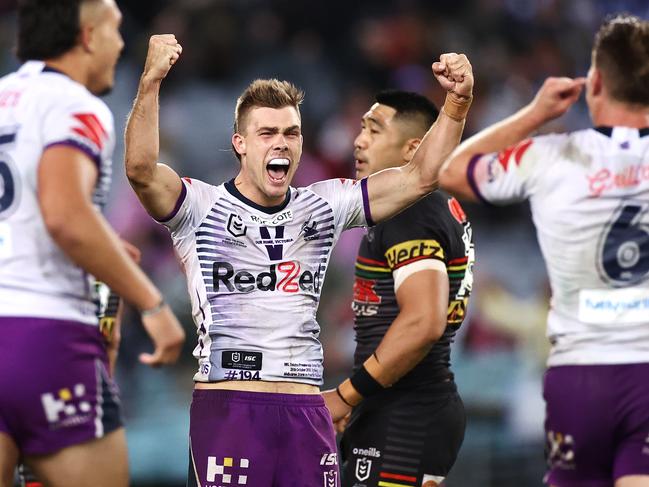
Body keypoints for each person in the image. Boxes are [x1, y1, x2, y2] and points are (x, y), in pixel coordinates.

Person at [124, 33, 473, 486]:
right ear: (240, 143)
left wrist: (457, 104)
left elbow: (420, 177)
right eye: (267, 133)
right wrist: (150, 80)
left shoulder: (324, 204)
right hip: (230, 408)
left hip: (306, 411)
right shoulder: (200, 206)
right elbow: (141, 171)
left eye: (292, 133)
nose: (282, 143)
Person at [439, 13, 649, 487]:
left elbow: (453, 170)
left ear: (594, 83)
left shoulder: (550, 155)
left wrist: (535, 114)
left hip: (580, 371)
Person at [0, 1, 185, 486]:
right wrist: (151, 301)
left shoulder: (3, 95)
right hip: (44, 333)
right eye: (116, 30)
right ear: (86, 36)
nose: (121, 45)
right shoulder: (75, 104)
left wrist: (100, 249)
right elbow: (66, 216)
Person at [328, 90, 474, 487]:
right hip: (404, 406)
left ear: (413, 149)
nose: (358, 140)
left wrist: (345, 396)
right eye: (360, 128)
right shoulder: (430, 208)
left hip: (407, 413)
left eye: (374, 130)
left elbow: (424, 322)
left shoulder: (409, 212)